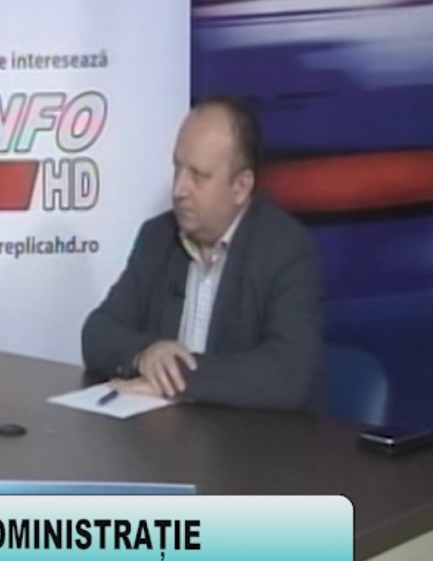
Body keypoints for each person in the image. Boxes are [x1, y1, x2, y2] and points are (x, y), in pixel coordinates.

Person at [81, 94, 323, 412]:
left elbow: (288, 373)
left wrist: (176, 378)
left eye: (198, 176)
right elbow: (97, 332)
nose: (179, 189)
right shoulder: (157, 237)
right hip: (160, 435)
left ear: (241, 186)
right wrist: (146, 354)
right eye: (178, 168)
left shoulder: (287, 250)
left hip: (246, 438)